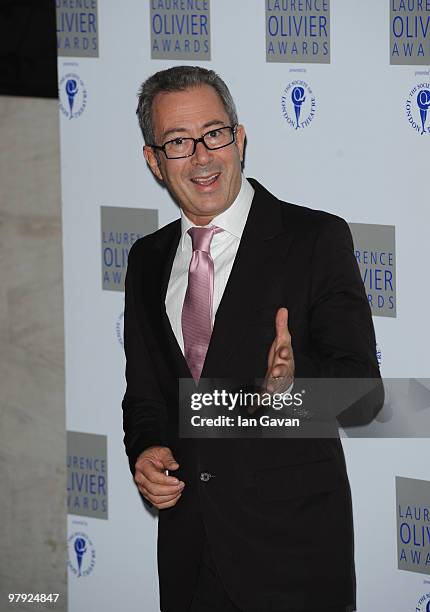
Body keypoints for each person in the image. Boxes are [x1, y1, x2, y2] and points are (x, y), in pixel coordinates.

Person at [122, 65, 382, 612]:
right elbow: (145, 397)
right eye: (177, 142)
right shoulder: (145, 260)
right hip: (189, 557)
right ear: (153, 161)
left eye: (214, 133)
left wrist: (293, 389)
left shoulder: (314, 239)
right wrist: (145, 451)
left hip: (293, 556)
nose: (201, 155)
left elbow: (365, 399)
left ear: (239, 140)